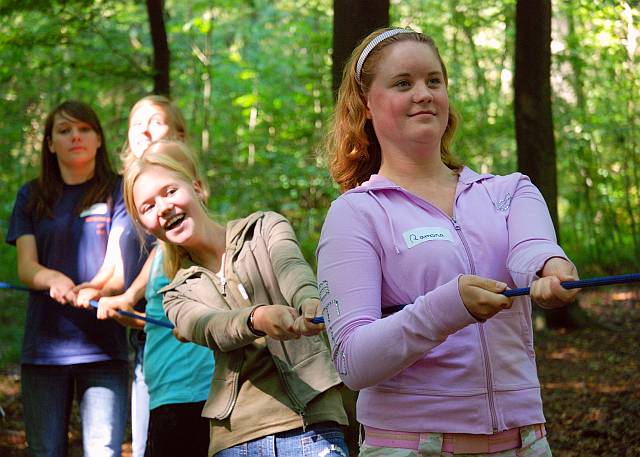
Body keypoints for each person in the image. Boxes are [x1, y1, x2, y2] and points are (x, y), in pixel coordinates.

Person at [316, 27, 580, 457]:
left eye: (433, 81)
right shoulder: (356, 213)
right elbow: (352, 360)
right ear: (366, 104)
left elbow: (530, 250)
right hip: (411, 445)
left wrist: (550, 269)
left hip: (525, 440)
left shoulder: (509, 191)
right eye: (404, 83)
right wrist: (446, 309)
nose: (423, 93)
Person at [122, 141, 350, 457]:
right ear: (145, 226)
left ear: (198, 188)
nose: (162, 207)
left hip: (312, 427)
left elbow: (292, 270)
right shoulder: (174, 295)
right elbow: (214, 327)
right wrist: (258, 319)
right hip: (237, 440)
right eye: (147, 207)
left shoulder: (265, 226)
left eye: (170, 191)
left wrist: (309, 301)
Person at [5, 100, 130, 456]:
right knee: (45, 450)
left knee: (103, 450)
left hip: (104, 346)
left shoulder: (119, 190)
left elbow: (118, 267)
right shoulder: (31, 195)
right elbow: (26, 268)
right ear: (49, 143)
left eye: (84, 129)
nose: (76, 136)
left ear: (99, 139)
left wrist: (96, 288)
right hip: (45, 349)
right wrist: (52, 279)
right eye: (64, 130)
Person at [96, 95, 214, 457]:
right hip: (157, 362)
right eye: (146, 206)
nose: (161, 208)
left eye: (157, 121)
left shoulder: (195, 226)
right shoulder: (124, 199)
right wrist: (122, 298)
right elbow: (138, 265)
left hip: (197, 379)